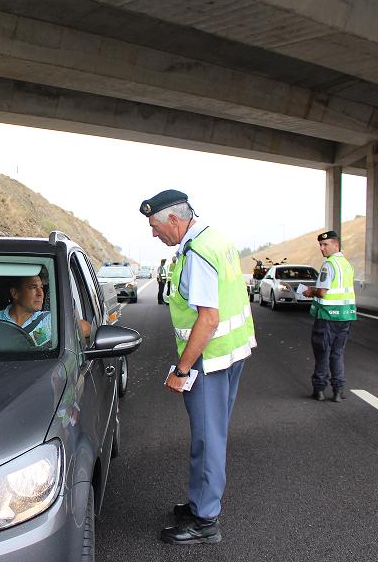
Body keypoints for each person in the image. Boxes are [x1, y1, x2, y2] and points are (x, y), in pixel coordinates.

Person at [140, 189, 256, 545]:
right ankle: (199, 503)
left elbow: (207, 318)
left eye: (155, 226)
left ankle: (205, 522)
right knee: (212, 436)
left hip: (209, 360)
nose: (153, 233)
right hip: (231, 353)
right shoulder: (215, 238)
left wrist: (182, 370)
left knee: (208, 441)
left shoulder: (198, 253)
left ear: (174, 219)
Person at [301, 231, 356, 402]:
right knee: (337, 353)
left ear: (336, 245)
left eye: (325, 245)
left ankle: (319, 389)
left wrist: (311, 291)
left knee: (322, 352)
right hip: (345, 316)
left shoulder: (329, 265)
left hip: (327, 316)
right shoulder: (346, 264)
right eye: (320, 245)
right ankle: (338, 390)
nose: (322, 248)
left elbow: (323, 292)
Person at [0, 275, 52, 346]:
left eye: (41, 287)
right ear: (15, 293)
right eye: (33, 287)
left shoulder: (50, 321)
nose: (40, 293)